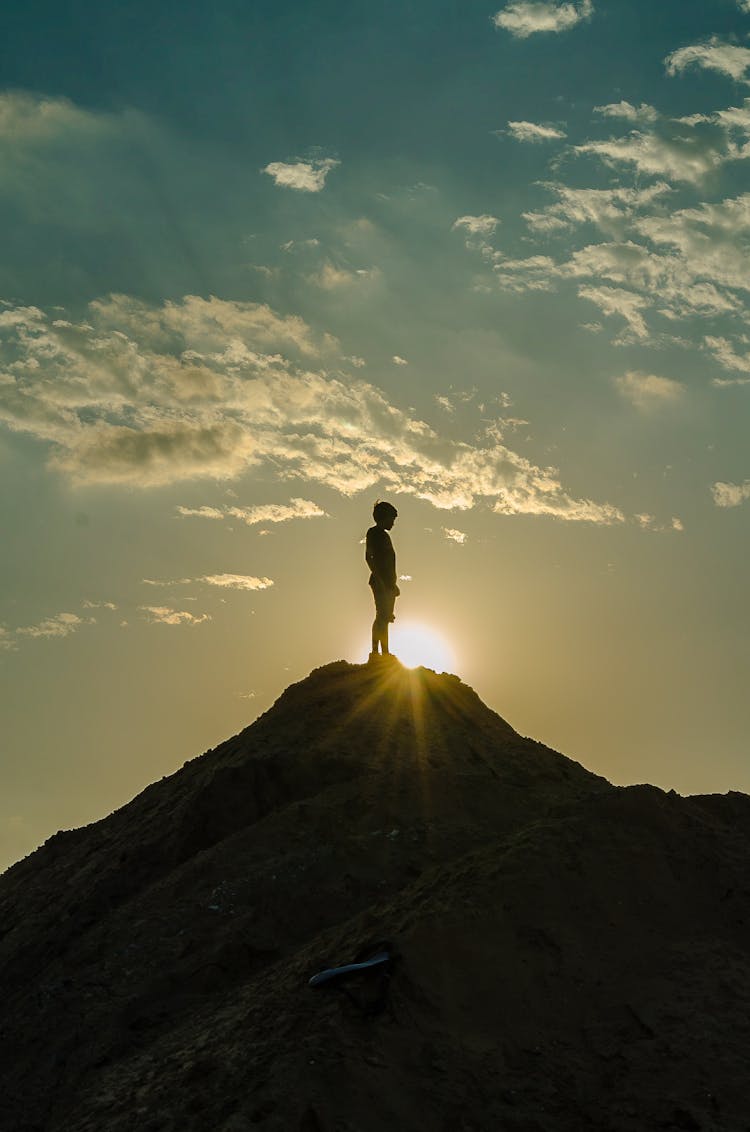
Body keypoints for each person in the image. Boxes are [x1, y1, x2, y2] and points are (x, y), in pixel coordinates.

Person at [366, 500, 400, 661]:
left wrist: (393, 585)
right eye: (391, 519)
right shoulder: (374, 533)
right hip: (380, 581)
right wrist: (379, 579)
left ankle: (384, 652)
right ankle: (376, 652)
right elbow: (369, 557)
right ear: (383, 518)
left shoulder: (384, 535)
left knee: (385, 617)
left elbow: (390, 563)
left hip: (388, 583)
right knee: (381, 616)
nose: (393, 523)